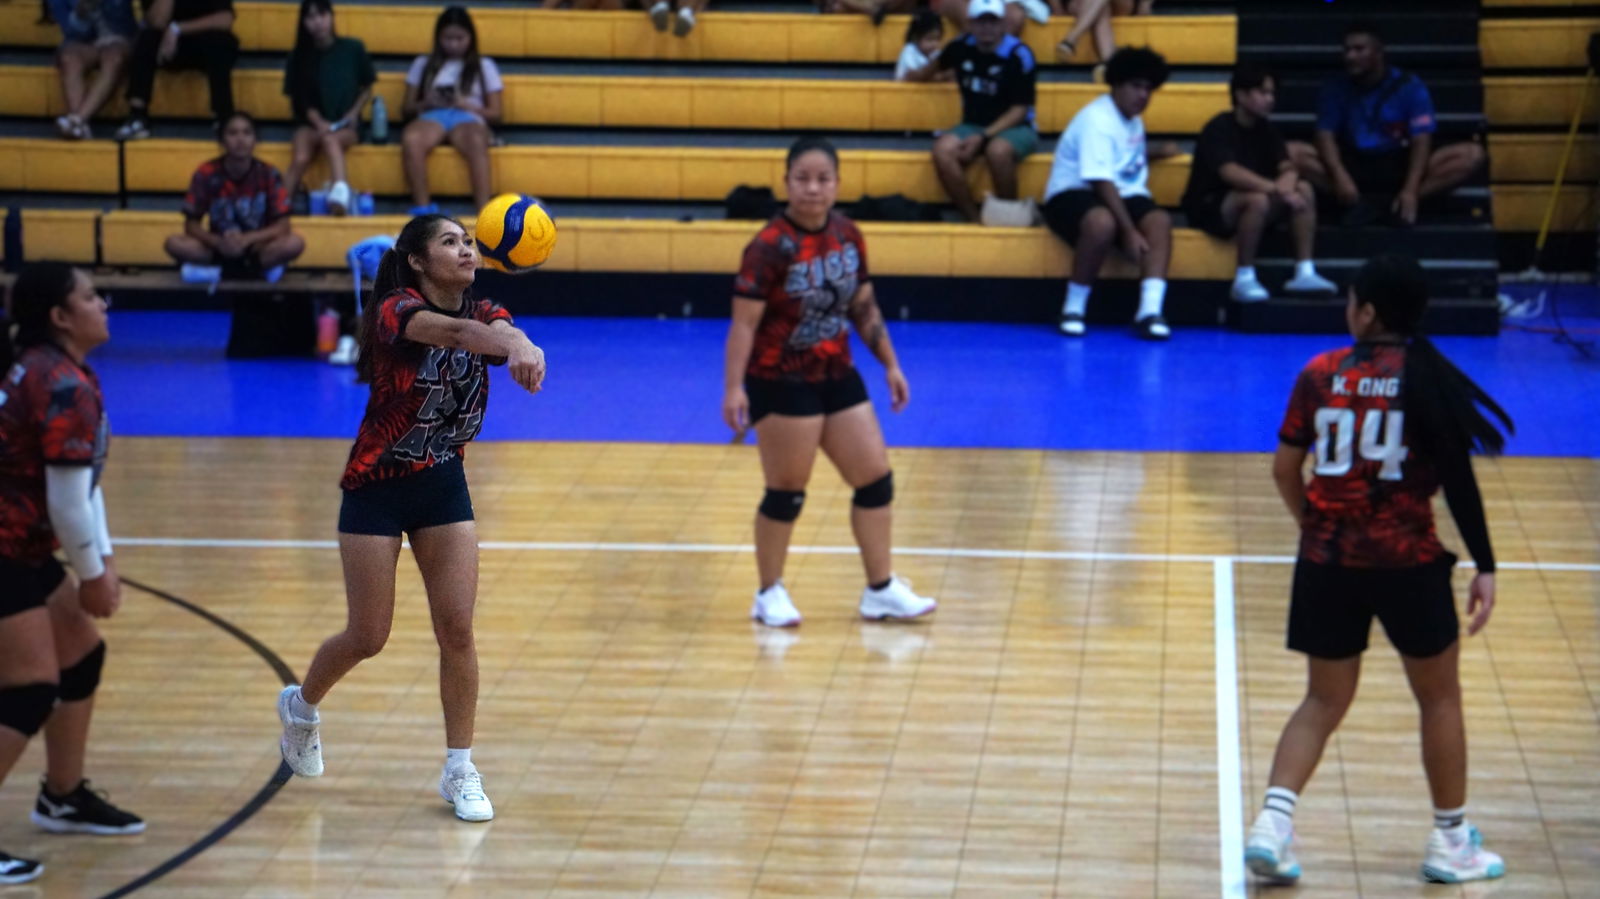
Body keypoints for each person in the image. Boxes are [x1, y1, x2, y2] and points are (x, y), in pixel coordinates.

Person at [1248, 254, 1511, 887]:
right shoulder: (1427, 376)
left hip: (1327, 563)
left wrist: (1315, 526)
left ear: (1368, 312)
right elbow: (1457, 479)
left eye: (1352, 300)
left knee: (1322, 699)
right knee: (1438, 696)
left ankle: (1271, 827)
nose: (1347, 309)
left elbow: (1286, 471)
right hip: (1409, 566)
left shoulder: (1319, 373)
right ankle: (1451, 842)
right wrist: (1485, 563)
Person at [276, 213, 547, 822]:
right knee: (369, 635)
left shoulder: (487, 311)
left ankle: (460, 767)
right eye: (450, 242)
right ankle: (301, 706)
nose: (466, 249)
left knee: (457, 629)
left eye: (470, 241)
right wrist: (514, 345)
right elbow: (454, 337)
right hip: (375, 486)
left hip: (441, 480)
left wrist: (525, 345)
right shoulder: (396, 311)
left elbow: (500, 328)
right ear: (420, 261)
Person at [723, 136, 938, 629]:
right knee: (787, 490)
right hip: (779, 378)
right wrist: (734, 388)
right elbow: (744, 325)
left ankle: (880, 590)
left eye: (823, 179)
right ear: (787, 183)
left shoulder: (848, 235)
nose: (813, 189)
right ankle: (769, 592)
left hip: (835, 371)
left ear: (838, 184)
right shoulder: (767, 247)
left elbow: (863, 306)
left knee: (875, 480)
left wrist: (890, 364)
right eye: (803, 179)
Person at [0, 264, 145, 887]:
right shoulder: (61, 384)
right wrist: (91, 573)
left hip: (23, 546)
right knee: (31, 686)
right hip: (7, 548)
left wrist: (102, 559)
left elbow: (79, 484)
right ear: (61, 317)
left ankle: (61, 797)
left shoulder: (48, 369)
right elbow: (65, 500)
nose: (103, 304)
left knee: (79, 657)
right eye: (90, 296)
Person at [1041, 46, 1177, 339]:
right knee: (1102, 222)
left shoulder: (1133, 120)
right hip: (1070, 193)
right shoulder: (1096, 119)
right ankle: (1072, 308)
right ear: (1116, 84)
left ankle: (1149, 311)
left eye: (1148, 88)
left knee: (1160, 222)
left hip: (1119, 191)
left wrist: (1154, 152)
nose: (1143, 95)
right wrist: (1128, 232)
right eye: (1135, 86)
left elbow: (1120, 161)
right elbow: (1101, 182)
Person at [1294, 21, 1485, 227]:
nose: (1350, 56)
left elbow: (1421, 139)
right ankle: (1358, 203)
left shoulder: (1408, 85)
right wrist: (1339, 176)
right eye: (1347, 50)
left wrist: (1411, 189)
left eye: (1359, 50)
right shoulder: (1334, 87)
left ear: (1378, 52)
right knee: (1293, 152)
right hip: (1354, 162)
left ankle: (1392, 205)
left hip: (1398, 162)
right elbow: (1325, 135)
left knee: (1471, 155)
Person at [1182, 62, 1337, 302]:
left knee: (1304, 188)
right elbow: (1229, 172)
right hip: (1211, 207)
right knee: (1257, 199)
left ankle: (1304, 271)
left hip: (1256, 201)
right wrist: (1277, 189)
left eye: (1272, 93)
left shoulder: (1266, 129)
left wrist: (1288, 182)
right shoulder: (1218, 128)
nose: (1270, 99)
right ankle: (1244, 277)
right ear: (1241, 95)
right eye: (1263, 92)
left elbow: (1286, 165)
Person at [904, 0, 1039, 224]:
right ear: (971, 24)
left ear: (1003, 24)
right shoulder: (959, 47)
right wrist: (912, 75)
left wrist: (983, 136)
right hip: (972, 124)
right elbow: (930, 69)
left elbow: (1020, 110)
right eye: (981, 21)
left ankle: (1011, 215)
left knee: (998, 151)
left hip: (1016, 127)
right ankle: (973, 220)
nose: (987, 28)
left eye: (992, 21)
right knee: (942, 150)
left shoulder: (1019, 55)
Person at [164, 112, 306, 283]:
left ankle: (222, 272)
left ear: (255, 140)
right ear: (222, 140)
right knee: (173, 243)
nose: (240, 139)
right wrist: (217, 242)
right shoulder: (206, 172)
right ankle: (252, 271)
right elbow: (191, 224)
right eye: (233, 133)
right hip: (219, 247)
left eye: (247, 133)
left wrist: (248, 239)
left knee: (294, 243)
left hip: (257, 247)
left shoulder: (268, 173)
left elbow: (283, 226)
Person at [401, 5, 503, 215]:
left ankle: (484, 211)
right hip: (432, 115)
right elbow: (406, 108)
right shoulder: (423, 64)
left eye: (460, 38)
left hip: (468, 116)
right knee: (412, 139)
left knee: (476, 140)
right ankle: (423, 210)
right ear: (438, 38)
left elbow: (497, 113)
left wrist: (467, 105)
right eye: (448, 38)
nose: (454, 44)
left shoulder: (484, 66)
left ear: (471, 38)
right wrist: (427, 102)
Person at [282, 0, 375, 216]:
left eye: (322, 15)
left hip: (346, 124)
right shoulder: (297, 56)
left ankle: (340, 196)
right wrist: (319, 123)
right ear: (303, 23)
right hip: (310, 123)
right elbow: (300, 99)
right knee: (301, 157)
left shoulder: (353, 48)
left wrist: (353, 113)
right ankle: (280, 205)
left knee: (330, 140)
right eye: (311, 17)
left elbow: (367, 87)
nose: (318, 22)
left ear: (331, 17)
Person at [112, 0, 238, 141]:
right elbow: (157, 22)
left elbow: (225, 20)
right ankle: (137, 117)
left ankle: (224, 118)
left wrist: (177, 28)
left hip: (205, 42)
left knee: (220, 43)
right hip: (167, 48)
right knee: (146, 39)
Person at [48, 0, 138, 140]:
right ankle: (80, 125)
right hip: (84, 44)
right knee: (68, 58)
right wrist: (81, 13)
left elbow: (126, 24)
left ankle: (77, 120)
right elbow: (70, 32)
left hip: (119, 39)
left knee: (114, 57)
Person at [1055, 0, 1155, 79]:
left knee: (1099, 7)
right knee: (1102, 9)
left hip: (1120, 4)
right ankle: (1108, 62)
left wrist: (1144, 5)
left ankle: (1071, 39)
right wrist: (1057, 8)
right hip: (1081, 4)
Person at [894, 11, 946, 82]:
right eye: (929, 39)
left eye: (937, 39)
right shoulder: (909, 51)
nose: (934, 44)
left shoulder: (936, 54)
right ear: (916, 38)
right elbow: (912, 76)